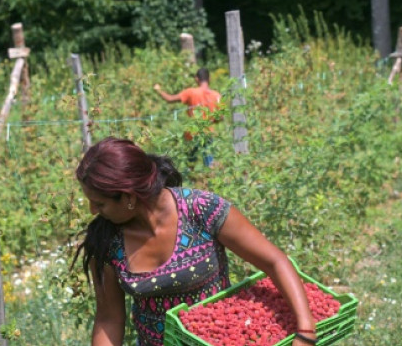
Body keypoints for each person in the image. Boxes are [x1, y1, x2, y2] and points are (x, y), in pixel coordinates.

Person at [73, 137, 319, 346]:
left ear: (128, 197)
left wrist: (306, 330)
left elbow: (274, 261)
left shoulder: (201, 210)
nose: (93, 210)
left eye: (100, 203)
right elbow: (109, 318)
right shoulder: (106, 241)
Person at [153, 68, 221, 167]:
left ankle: (191, 179)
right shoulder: (216, 95)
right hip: (207, 133)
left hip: (192, 133)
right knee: (210, 164)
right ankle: (208, 179)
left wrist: (158, 90)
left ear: (196, 79)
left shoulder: (191, 92)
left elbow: (170, 99)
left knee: (189, 163)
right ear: (209, 79)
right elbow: (219, 118)